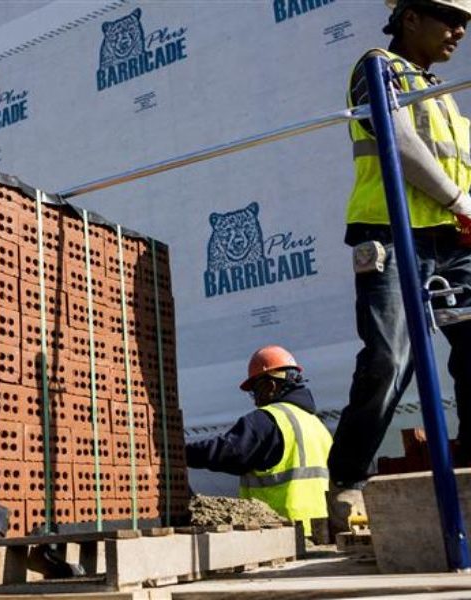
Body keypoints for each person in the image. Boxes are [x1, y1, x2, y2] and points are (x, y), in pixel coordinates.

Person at [328, 0, 471, 532]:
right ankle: (349, 482)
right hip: (389, 232)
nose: (459, 31)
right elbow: (399, 144)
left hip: (454, 243)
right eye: (449, 18)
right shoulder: (376, 67)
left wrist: (462, 208)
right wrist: (461, 200)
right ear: (410, 17)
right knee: (390, 357)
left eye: (466, 23)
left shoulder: (448, 101)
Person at [185, 346, 332, 535]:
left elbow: (228, 452)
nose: (255, 401)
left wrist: (180, 453)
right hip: (321, 530)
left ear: (270, 386)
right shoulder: (316, 424)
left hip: (283, 531)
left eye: (255, 392)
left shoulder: (268, 419)